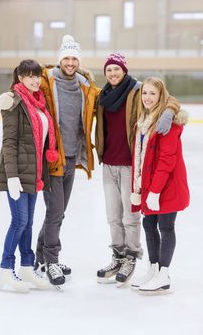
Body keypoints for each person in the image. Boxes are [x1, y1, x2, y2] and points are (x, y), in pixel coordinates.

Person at [95, 54, 181, 287]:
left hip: (130, 164)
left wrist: (169, 112)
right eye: (109, 70)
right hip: (109, 163)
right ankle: (118, 256)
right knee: (113, 216)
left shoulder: (137, 90)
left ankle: (132, 257)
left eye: (117, 69)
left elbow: (167, 97)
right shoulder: (101, 96)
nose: (113, 73)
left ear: (124, 70)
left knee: (130, 217)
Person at [35, 35, 100, 286]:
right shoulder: (46, 82)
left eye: (74, 58)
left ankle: (43, 256)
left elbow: (111, 97)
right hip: (52, 157)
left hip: (73, 157)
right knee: (54, 213)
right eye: (66, 58)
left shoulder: (85, 85)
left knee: (58, 212)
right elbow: (23, 87)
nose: (70, 63)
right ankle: (51, 262)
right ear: (60, 59)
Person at [0, 59, 58, 292]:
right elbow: (9, 142)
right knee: (19, 221)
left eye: (37, 76)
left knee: (28, 222)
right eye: (29, 76)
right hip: (17, 174)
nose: (35, 80)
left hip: (34, 172)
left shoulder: (39, 103)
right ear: (20, 78)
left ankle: (26, 268)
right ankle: (5, 270)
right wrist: (12, 176)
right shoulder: (14, 102)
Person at [130, 77, 190, 294]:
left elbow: (167, 159)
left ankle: (163, 274)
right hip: (150, 185)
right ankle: (153, 269)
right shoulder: (144, 119)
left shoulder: (168, 123)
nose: (147, 97)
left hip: (167, 186)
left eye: (152, 93)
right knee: (148, 225)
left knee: (165, 227)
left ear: (161, 95)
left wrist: (155, 191)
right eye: (145, 93)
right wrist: (141, 187)